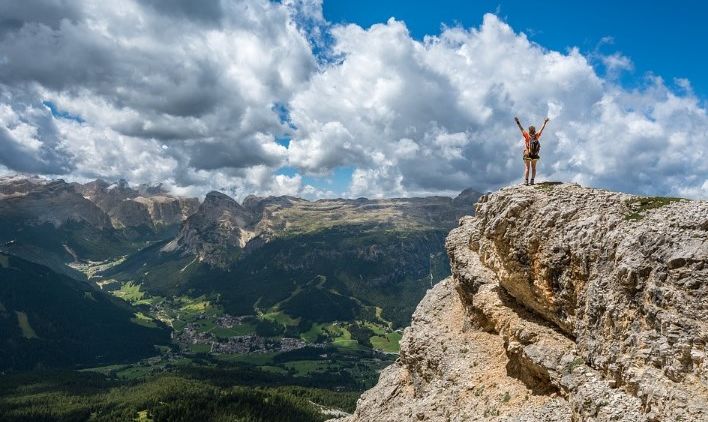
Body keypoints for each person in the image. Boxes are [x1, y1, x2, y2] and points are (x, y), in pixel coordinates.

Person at [514, 116, 550, 185]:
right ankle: (532, 180)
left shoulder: (527, 135)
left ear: (529, 131)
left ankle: (526, 181)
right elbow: (541, 129)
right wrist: (545, 123)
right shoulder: (537, 136)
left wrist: (518, 122)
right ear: (534, 131)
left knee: (527, 168)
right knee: (534, 168)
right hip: (535, 155)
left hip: (527, 154)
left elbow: (521, 129)